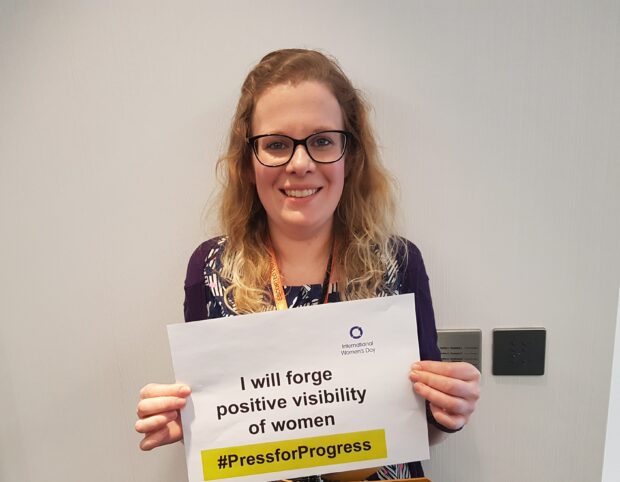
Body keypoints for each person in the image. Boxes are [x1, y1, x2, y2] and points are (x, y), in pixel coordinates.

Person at [135, 48, 480, 480]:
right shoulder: (211, 267)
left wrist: (450, 409)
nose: (300, 164)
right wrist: (185, 424)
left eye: (321, 141)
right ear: (248, 161)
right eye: (276, 145)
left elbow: (422, 427)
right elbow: (223, 429)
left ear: (349, 155)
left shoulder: (398, 261)